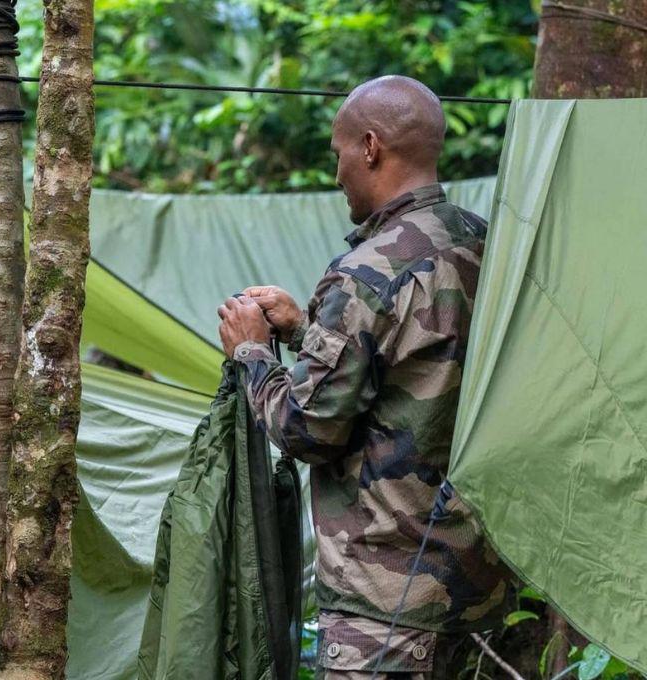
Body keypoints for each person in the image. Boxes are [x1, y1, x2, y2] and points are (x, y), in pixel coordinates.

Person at [216, 75, 509, 678]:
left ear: (370, 147)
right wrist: (305, 331)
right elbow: (416, 367)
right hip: (473, 589)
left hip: (386, 602)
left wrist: (253, 356)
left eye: (339, 153)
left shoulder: (367, 273)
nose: (337, 172)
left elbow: (309, 428)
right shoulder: (485, 244)